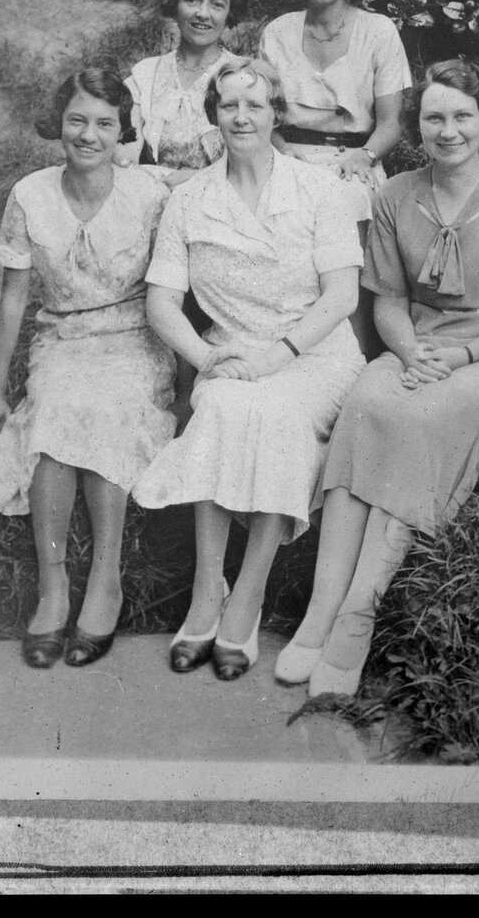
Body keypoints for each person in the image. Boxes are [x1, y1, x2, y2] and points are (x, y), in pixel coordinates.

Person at [274, 59, 479, 698]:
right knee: (366, 407)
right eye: (434, 117)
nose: (448, 129)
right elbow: (388, 303)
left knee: (421, 420)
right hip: (417, 344)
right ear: (417, 125)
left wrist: (459, 360)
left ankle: (356, 618)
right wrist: (409, 353)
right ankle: (320, 612)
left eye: (462, 115)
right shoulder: (396, 194)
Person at [131, 57, 366, 682]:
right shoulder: (189, 199)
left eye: (255, 104)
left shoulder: (320, 190)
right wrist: (209, 359)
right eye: (229, 104)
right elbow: (161, 303)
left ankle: (249, 593)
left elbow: (341, 297)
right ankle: (208, 586)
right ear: (214, 115)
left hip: (313, 355)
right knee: (220, 405)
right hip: (231, 352)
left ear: (276, 114)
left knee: (274, 415)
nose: (242, 115)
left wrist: (277, 358)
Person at [0, 69, 176, 671]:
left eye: (105, 123)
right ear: (58, 124)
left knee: (108, 410)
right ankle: (53, 587)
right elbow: (13, 300)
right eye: (77, 120)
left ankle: (105, 581)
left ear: (122, 131)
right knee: (54, 411)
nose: (89, 135)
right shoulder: (31, 194)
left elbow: (174, 290)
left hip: (135, 336)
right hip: (62, 336)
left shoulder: (150, 194)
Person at [258, 0, 412, 224]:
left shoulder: (379, 31)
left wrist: (365, 156)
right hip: (288, 158)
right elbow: (262, 115)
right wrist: (283, 151)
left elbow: (392, 123)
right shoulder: (277, 33)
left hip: (354, 161)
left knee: (342, 211)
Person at [115, 0, 250, 187]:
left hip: (216, 195)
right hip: (147, 189)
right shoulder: (145, 74)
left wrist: (180, 181)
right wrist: (135, 174)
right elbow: (125, 143)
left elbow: (246, 162)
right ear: (175, 5)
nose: (202, 13)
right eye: (191, 0)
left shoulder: (243, 77)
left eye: (217, 4)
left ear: (230, 13)